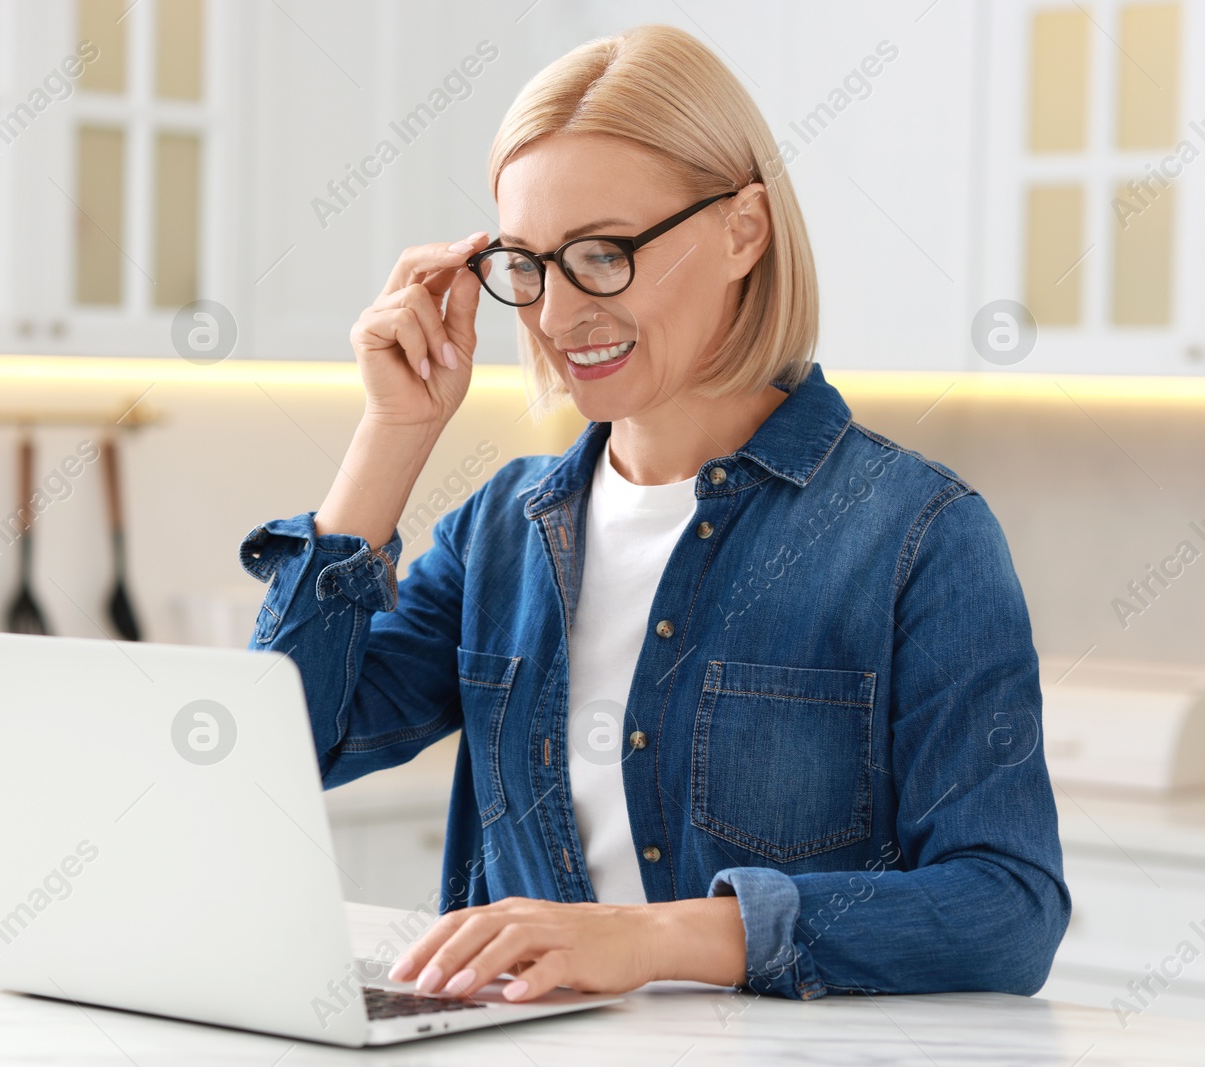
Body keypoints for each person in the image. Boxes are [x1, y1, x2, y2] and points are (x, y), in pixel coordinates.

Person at [238, 23, 1069, 1003]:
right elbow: (277, 751)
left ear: (742, 231)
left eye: (603, 253)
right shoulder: (501, 534)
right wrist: (393, 431)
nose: (553, 317)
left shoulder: (915, 536)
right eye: (529, 263)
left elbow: (1005, 909)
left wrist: (655, 938)